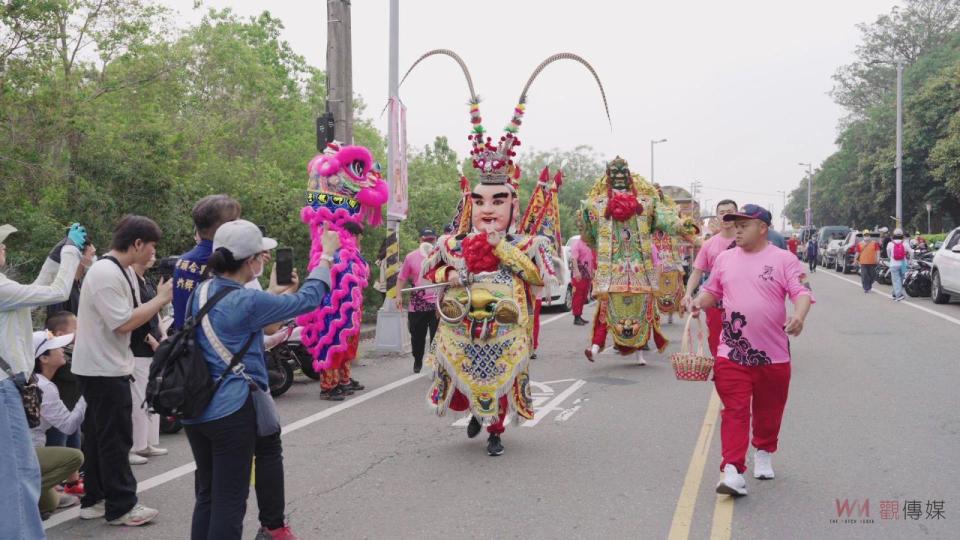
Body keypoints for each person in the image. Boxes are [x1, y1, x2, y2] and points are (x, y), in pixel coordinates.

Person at [183, 219, 335, 540]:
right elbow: (307, 300)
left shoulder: (202, 291)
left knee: (208, 496)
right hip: (231, 411)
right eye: (261, 256)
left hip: (196, 407)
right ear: (250, 261)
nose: (263, 261)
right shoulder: (247, 300)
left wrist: (273, 294)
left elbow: (239, 324)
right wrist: (326, 259)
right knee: (229, 501)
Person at [689, 205, 814, 497]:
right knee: (734, 409)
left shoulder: (785, 260)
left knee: (769, 410)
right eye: (735, 224)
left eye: (744, 225)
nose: (737, 229)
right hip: (732, 351)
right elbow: (713, 291)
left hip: (774, 354)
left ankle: (763, 450)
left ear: (762, 227)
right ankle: (732, 469)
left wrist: (799, 315)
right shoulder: (724, 259)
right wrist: (699, 301)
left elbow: (802, 292)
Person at [72, 215, 171, 527]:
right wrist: (161, 299)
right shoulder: (105, 273)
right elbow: (123, 322)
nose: (153, 252)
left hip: (106, 364)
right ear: (137, 243)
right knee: (116, 438)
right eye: (151, 246)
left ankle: (96, 499)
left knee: (102, 437)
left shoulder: (122, 270)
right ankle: (121, 506)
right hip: (102, 367)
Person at [580, 157, 696, 365]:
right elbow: (588, 234)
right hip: (618, 271)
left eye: (621, 175)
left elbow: (588, 236)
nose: (618, 179)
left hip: (634, 270)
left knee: (642, 311)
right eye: (615, 175)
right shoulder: (597, 205)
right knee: (607, 309)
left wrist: (685, 229)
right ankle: (597, 347)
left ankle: (634, 352)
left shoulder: (644, 204)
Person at [30, 330, 86, 517]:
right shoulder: (44, 387)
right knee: (75, 457)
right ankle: (19, 491)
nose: (63, 349)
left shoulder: (33, 381)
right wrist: (86, 395)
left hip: (23, 452)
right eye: (56, 347)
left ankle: (29, 490)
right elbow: (69, 426)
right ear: (43, 358)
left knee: (49, 504)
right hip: (28, 453)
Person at [172, 195, 242, 331]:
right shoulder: (227, 262)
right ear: (227, 227)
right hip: (215, 346)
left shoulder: (183, 260)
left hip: (185, 344)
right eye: (237, 222)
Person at [683, 200, 739, 358]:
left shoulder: (746, 242)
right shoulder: (709, 244)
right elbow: (697, 272)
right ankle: (720, 379)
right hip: (715, 303)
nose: (726, 216)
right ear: (717, 217)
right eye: (722, 213)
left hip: (742, 303)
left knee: (742, 344)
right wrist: (688, 293)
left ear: (737, 214)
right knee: (717, 343)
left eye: (730, 211)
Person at [318, 221, 367, 400]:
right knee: (332, 346)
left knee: (346, 347)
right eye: (358, 236)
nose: (359, 240)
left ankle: (343, 380)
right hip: (334, 310)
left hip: (351, 310)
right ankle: (328, 386)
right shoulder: (335, 256)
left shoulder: (353, 255)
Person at [128, 256, 167, 464]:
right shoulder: (130, 280)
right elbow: (135, 316)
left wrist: (163, 334)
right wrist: (150, 339)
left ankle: (148, 442)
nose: (153, 256)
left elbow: (156, 311)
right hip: (138, 347)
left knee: (151, 395)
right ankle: (136, 445)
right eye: (150, 252)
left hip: (155, 345)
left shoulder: (148, 280)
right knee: (138, 398)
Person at [396, 228, 440, 374]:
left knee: (437, 337)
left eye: (431, 240)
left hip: (437, 304)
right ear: (420, 240)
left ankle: (436, 365)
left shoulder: (441, 256)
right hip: (417, 304)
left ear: (435, 240)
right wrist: (398, 296)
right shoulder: (411, 257)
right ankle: (418, 359)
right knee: (417, 337)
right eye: (426, 240)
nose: (428, 242)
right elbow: (401, 278)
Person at [44, 311, 83, 450]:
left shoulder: (72, 352)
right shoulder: (55, 354)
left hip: (71, 413)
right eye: (77, 328)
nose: (82, 331)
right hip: (57, 417)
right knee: (61, 449)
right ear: (60, 335)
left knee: (75, 453)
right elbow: (73, 374)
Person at [569, 236, 595, 326]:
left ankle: (579, 315)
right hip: (579, 275)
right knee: (578, 296)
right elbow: (573, 259)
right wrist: (576, 272)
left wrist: (592, 273)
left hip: (587, 275)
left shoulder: (588, 245)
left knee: (584, 296)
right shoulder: (577, 244)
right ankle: (576, 317)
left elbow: (591, 260)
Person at [887, 228, 914, 302]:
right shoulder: (905, 243)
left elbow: (888, 254)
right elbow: (912, 252)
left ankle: (898, 295)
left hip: (893, 263)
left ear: (894, 235)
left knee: (895, 280)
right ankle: (895, 293)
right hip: (903, 263)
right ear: (902, 235)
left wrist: (890, 258)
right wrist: (910, 261)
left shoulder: (890, 244)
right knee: (901, 279)